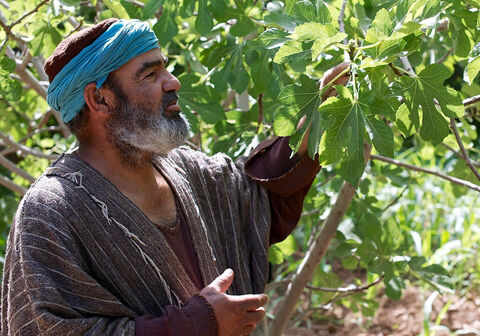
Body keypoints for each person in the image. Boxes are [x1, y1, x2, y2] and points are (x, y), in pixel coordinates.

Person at [0, 19, 348, 336]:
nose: (173, 82)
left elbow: (255, 199)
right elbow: (46, 330)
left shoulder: (185, 169)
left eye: (165, 69)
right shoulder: (50, 211)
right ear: (100, 99)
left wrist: (310, 128)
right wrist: (197, 324)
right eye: (150, 75)